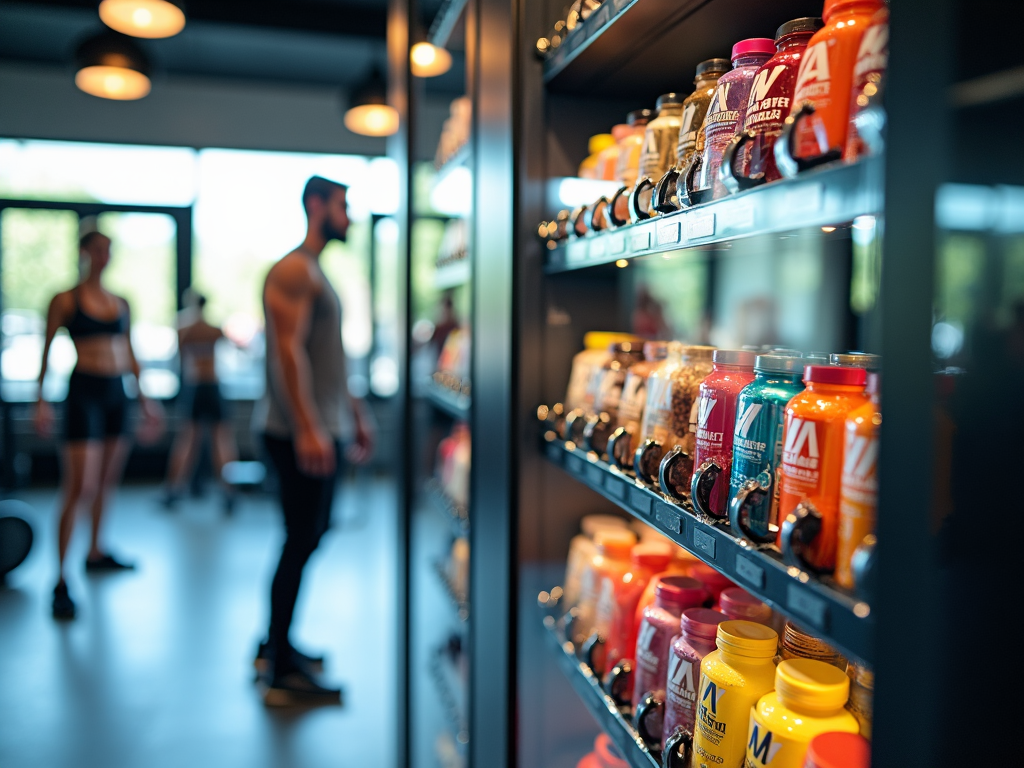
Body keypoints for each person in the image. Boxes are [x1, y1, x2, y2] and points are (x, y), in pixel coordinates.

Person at [252, 176, 374, 705]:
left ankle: (278, 645)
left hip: (323, 424)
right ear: (317, 205)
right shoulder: (293, 270)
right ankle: (279, 667)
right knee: (299, 541)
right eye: (343, 205)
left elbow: (326, 357)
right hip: (297, 432)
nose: (348, 216)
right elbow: (288, 353)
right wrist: (307, 426)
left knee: (307, 537)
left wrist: (353, 411)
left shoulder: (315, 271)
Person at [35, 231, 161, 620]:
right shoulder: (65, 299)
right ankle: (60, 578)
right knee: (80, 486)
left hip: (115, 393)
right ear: (84, 252)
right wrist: (40, 399)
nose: (106, 256)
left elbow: (129, 351)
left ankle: (96, 551)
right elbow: (47, 349)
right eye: (100, 249)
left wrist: (144, 399)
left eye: (110, 249)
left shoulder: (120, 301)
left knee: (106, 482)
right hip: (83, 392)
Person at [161, 290, 239, 512]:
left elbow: (178, 354)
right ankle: (229, 492)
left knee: (189, 440)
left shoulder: (184, 328)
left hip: (196, 386)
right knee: (220, 440)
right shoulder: (212, 329)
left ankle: (173, 490)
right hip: (212, 386)